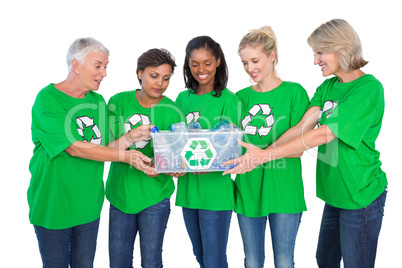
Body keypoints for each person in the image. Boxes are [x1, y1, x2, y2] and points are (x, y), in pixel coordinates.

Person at [223, 19, 388, 268]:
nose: (315, 60)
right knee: (325, 259)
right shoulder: (327, 87)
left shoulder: (368, 89)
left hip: (361, 194)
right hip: (335, 195)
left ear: (340, 47)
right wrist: (261, 154)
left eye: (320, 52)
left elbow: (323, 135)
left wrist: (263, 156)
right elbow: (302, 128)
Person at [28, 37, 155, 268]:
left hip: (88, 206)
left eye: (105, 67)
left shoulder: (97, 101)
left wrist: (130, 138)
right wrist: (127, 156)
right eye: (98, 66)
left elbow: (104, 150)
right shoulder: (48, 99)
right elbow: (75, 147)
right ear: (76, 65)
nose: (104, 73)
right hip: (54, 205)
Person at [233, 26, 309, 268]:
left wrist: (260, 155)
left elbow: (299, 147)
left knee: (284, 262)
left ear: (272, 55)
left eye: (255, 60)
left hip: (284, 188)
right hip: (248, 187)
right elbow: (233, 146)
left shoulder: (294, 93)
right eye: (244, 63)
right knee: (252, 262)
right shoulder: (240, 97)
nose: (249, 68)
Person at [106, 48, 182, 268]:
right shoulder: (118, 101)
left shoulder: (172, 111)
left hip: (155, 197)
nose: (160, 83)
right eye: (154, 76)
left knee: (151, 262)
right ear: (140, 73)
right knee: (118, 262)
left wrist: (171, 167)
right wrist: (130, 137)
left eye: (166, 78)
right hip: (121, 195)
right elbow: (106, 149)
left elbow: (177, 160)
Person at [174, 36, 240, 268]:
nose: (201, 70)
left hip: (216, 193)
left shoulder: (229, 99)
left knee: (214, 260)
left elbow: (232, 149)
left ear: (218, 62)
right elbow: (176, 141)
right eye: (194, 64)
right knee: (200, 254)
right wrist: (174, 164)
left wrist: (206, 164)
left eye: (207, 63)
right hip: (189, 191)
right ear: (187, 65)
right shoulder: (182, 98)